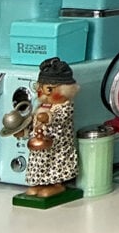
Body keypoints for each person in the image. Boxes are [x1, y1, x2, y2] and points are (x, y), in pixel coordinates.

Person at [22, 58, 80, 198]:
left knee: (55, 165)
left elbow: (59, 117)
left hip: (57, 146)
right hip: (41, 146)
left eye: (48, 89)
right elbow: (33, 122)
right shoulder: (40, 107)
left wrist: (46, 117)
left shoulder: (64, 106)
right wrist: (23, 129)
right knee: (39, 164)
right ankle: (40, 184)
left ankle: (57, 185)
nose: (43, 94)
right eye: (40, 89)